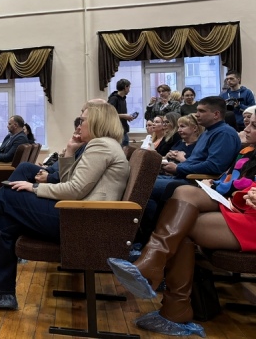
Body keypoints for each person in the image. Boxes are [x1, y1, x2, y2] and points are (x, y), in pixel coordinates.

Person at [0, 103, 129, 309]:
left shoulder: (100, 146)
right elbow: (70, 182)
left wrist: (34, 187)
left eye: (83, 120)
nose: (78, 125)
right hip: (80, 215)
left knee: (7, 195)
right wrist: (70, 151)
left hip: (82, 221)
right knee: (4, 220)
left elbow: (74, 189)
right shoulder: (104, 145)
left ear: (97, 121)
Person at [108, 115, 256, 337]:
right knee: (184, 193)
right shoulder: (247, 151)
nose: (247, 127)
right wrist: (213, 183)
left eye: (254, 125)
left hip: (250, 218)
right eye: (249, 123)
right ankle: (154, 263)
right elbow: (231, 180)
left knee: (182, 225)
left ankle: (170, 299)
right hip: (238, 205)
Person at [139, 96, 241, 243]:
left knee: (143, 186)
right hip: (185, 176)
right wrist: (175, 167)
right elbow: (195, 160)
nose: (197, 114)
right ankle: (148, 236)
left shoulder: (224, 133)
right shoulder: (207, 132)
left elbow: (215, 167)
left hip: (198, 183)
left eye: (201, 111)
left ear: (216, 114)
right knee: (141, 181)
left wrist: (178, 168)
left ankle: (149, 239)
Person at [108, 78, 134, 146]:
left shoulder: (123, 99)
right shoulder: (113, 99)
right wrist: (124, 116)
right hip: (116, 131)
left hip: (123, 129)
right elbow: (109, 114)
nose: (129, 90)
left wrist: (127, 117)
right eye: (129, 87)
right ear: (125, 87)